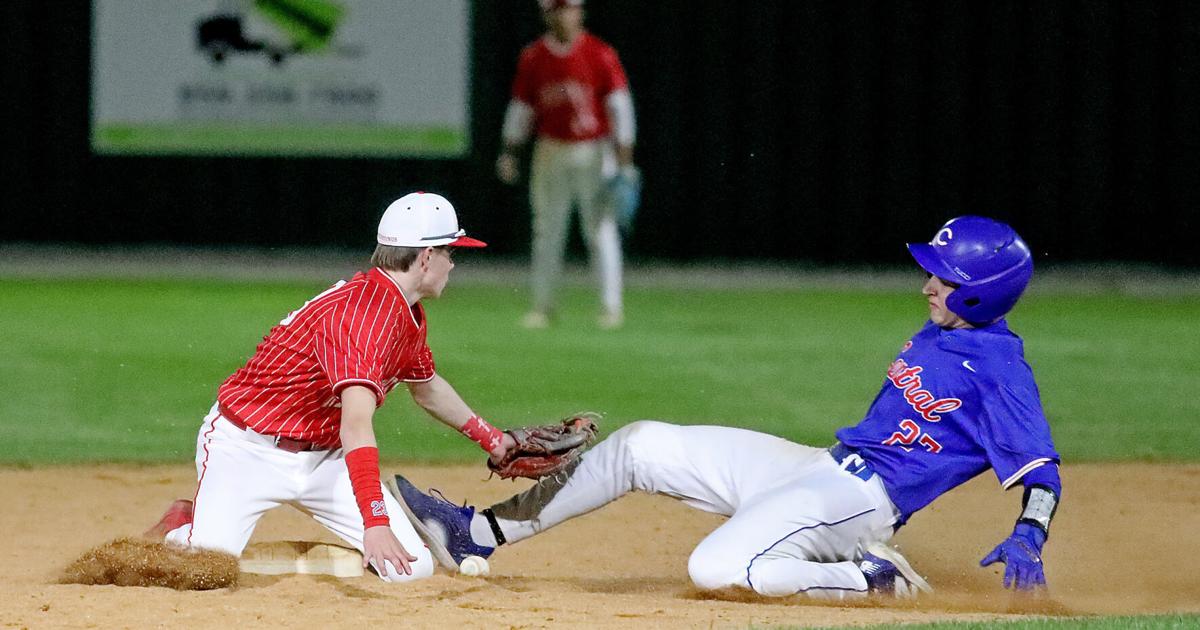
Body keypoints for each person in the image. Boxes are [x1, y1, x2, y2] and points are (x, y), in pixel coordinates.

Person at [393, 216, 1062, 599]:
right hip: (822, 467)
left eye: (943, 278)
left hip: (860, 506)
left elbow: (1040, 468)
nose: (927, 284)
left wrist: (1030, 530)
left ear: (980, 292)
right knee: (641, 444)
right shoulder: (947, 330)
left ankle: (871, 577)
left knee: (716, 569)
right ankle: (478, 534)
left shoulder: (1001, 372)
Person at [144, 192, 518, 583]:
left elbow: (426, 387)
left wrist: (492, 440)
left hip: (324, 460)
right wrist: (375, 521)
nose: (453, 263)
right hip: (248, 449)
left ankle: (312, 560)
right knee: (207, 570)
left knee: (411, 569)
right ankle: (181, 529)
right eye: (450, 251)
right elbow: (356, 425)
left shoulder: (404, 310)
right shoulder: (361, 317)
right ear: (425, 258)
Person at [496, 0, 638, 330]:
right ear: (547, 14)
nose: (564, 15)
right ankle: (543, 307)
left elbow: (620, 107)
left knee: (600, 230)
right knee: (547, 231)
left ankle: (610, 307)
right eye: (557, 9)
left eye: (569, 8)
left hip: (593, 150)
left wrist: (624, 160)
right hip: (550, 149)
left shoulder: (600, 53)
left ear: (580, 11)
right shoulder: (534, 57)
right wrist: (509, 151)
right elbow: (522, 109)